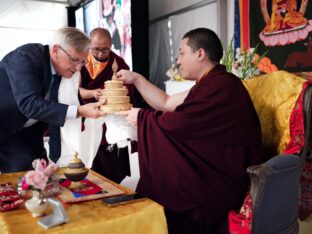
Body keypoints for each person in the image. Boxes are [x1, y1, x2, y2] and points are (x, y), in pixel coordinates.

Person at [116, 28, 264, 233]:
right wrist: (137, 79)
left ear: (200, 54)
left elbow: (181, 124)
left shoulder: (224, 85)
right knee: (170, 175)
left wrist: (142, 117)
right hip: (215, 165)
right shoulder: (207, 83)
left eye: (182, 53)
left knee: (175, 190)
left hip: (225, 177)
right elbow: (167, 102)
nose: (178, 60)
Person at [0, 27, 106, 173]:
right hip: (4, 124)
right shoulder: (24, 57)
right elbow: (29, 104)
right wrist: (80, 111)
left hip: (26, 134)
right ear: (56, 51)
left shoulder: (65, 71)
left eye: (82, 62)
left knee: (41, 177)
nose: (78, 68)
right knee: (22, 181)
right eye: (75, 60)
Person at [79, 27, 138, 183]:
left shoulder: (118, 62)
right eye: (96, 49)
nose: (99, 54)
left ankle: (115, 182)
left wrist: (115, 92)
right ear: (89, 45)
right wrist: (92, 93)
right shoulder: (82, 60)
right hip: (90, 114)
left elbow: (129, 87)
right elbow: (76, 90)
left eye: (104, 50)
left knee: (113, 153)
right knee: (93, 153)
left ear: (111, 46)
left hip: (112, 116)